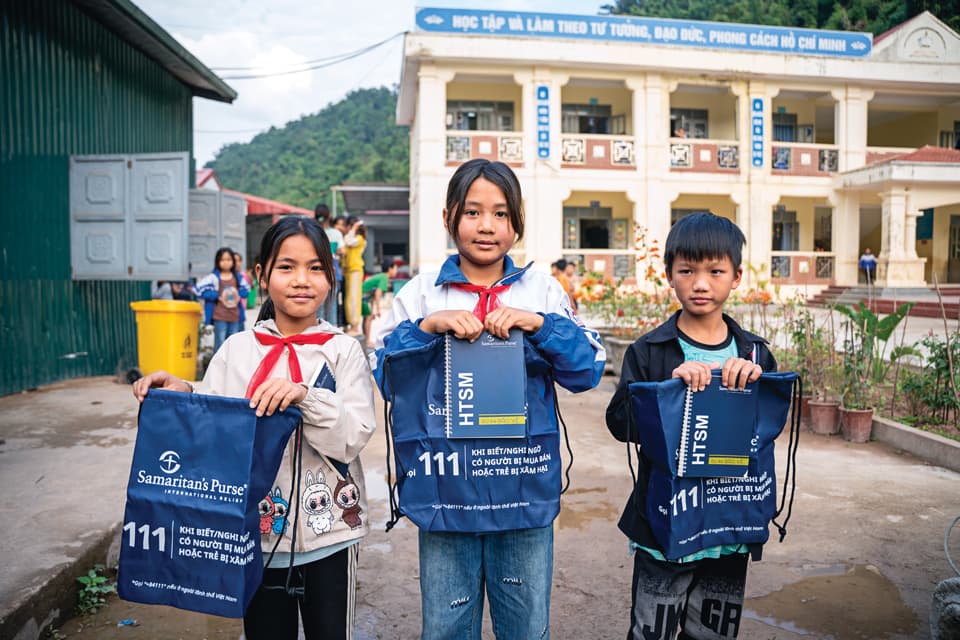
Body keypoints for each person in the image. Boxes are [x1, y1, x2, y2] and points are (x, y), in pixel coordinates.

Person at [372, 158, 605, 639]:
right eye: (472, 212)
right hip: (445, 496)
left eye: (500, 213)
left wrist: (539, 324)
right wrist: (426, 329)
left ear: (517, 221)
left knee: (525, 629)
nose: (486, 226)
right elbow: (385, 377)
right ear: (448, 217)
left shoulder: (543, 291)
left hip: (521, 492)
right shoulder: (421, 294)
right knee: (446, 629)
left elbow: (587, 370)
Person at [132, 216, 376, 640]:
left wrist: (305, 397)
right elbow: (215, 424)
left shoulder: (344, 351)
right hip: (255, 538)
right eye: (286, 267)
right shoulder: (237, 350)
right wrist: (184, 392)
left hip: (331, 535)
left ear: (331, 277)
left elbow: (352, 437)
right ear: (261, 275)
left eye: (315, 268)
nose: (301, 280)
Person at [604, 213, 776, 640]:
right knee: (653, 631)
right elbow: (620, 423)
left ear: (736, 277)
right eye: (687, 271)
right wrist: (667, 390)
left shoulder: (754, 354)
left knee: (714, 633)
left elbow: (767, 430)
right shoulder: (650, 351)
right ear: (669, 275)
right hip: (665, 525)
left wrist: (755, 385)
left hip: (728, 527)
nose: (700, 283)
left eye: (715, 271)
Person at [197, 248, 249, 352]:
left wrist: (238, 294)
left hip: (235, 317)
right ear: (217, 261)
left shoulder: (237, 277)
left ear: (233, 261)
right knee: (220, 344)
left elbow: (246, 290)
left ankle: (232, 363)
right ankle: (218, 363)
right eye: (222, 260)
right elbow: (198, 290)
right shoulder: (213, 277)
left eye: (228, 259)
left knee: (233, 345)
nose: (226, 262)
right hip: (219, 316)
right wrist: (216, 295)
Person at [315, 203, 344, 327]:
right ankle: (332, 331)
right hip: (333, 270)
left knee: (318, 305)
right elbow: (342, 251)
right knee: (332, 305)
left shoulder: (313, 232)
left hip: (316, 270)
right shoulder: (336, 233)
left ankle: (317, 330)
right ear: (329, 216)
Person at [361, 260, 397, 348]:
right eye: (395, 269)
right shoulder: (384, 277)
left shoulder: (381, 276)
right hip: (362, 297)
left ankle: (366, 340)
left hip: (363, 297)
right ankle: (367, 341)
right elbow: (378, 293)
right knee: (368, 318)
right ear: (390, 269)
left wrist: (373, 309)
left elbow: (372, 294)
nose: (396, 271)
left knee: (367, 317)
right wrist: (378, 309)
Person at [342, 219, 366, 336]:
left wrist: (353, 229)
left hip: (356, 270)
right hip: (349, 270)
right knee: (349, 299)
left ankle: (355, 326)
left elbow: (348, 241)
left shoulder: (360, 239)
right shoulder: (354, 239)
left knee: (354, 298)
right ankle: (352, 325)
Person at [234, 251, 253, 327]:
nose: (237, 263)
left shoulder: (243, 275)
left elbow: (250, 287)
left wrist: (250, 277)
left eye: (239, 261)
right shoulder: (228, 276)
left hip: (241, 309)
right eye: (235, 261)